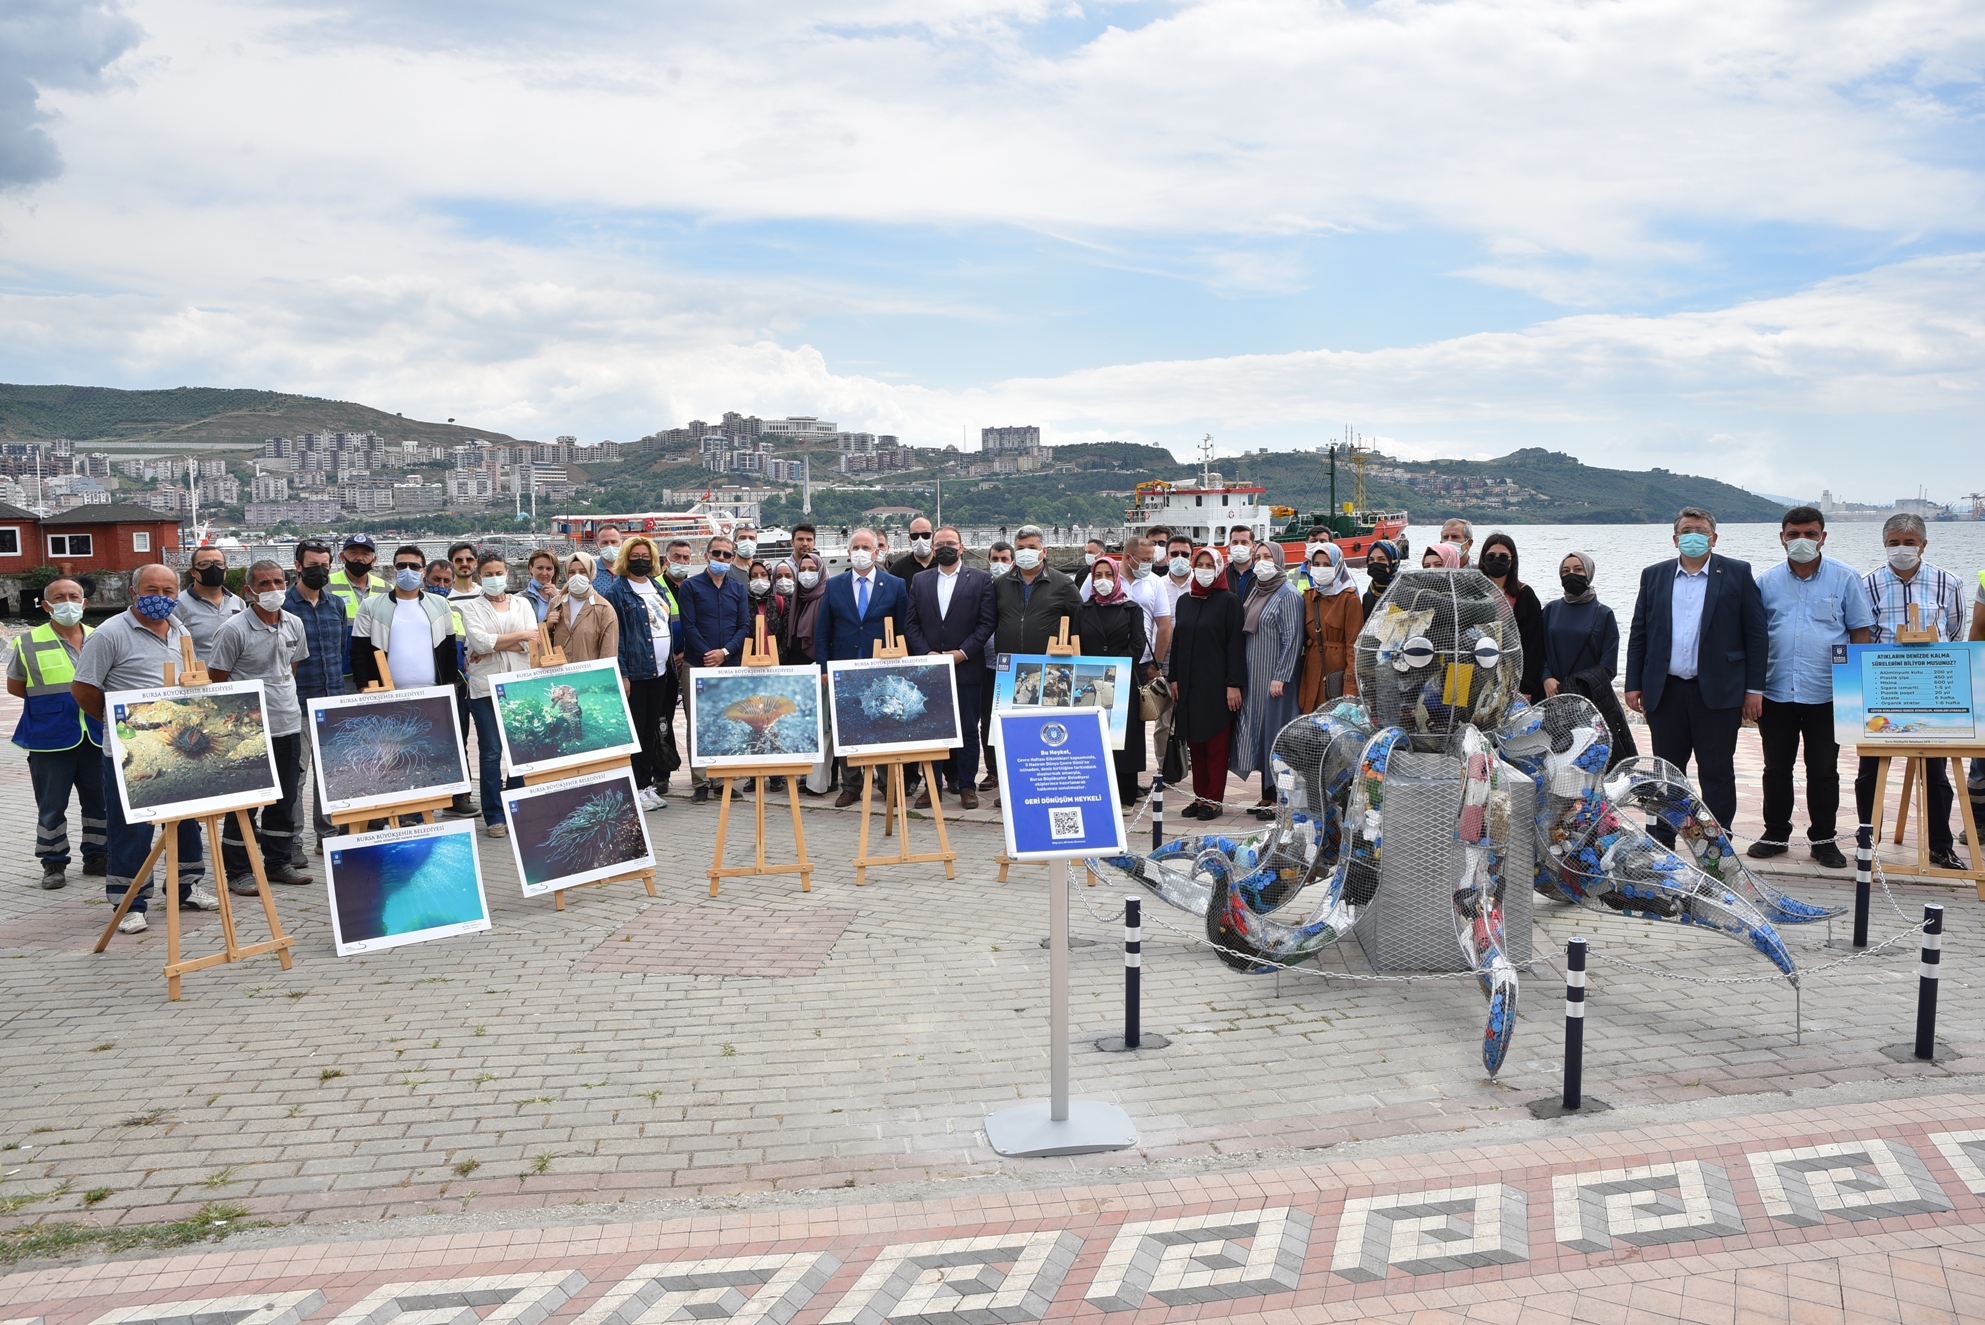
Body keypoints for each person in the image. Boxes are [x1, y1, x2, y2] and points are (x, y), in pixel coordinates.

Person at [71, 563, 218, 932]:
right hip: (129, 752)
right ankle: (130, 902)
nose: (161, 598)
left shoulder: (179, 629)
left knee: (185, 822)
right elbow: (84, 689)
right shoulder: (109, 634)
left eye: (169, 591)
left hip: (177, 748)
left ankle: (186, 887)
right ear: (134, 593)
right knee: (131, 827)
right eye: (152, 590)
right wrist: (117, 723)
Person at [1624, 506, 1766, 834]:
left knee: (1716, 773)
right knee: (1667, 773)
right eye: (1686, 531)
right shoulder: (1654, 575)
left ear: (1713, 538)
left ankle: (1718, 846)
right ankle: (1663, 845)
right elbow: (1640, 631)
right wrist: (1633, 683)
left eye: (1700, 531)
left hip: (1718, 692)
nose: (1693, 537)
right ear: (1675, 539)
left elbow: (1756, 636)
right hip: (1666, 691)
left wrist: (1754, 688)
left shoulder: (1737, 573)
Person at [1749, 507, 1872, 869]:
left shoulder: (1846, 578)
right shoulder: (1765, 581)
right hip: (1776, 691)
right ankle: (1775, 834)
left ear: (1823, 537)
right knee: (1775, 768)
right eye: (1794, 534)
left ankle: (1823, 840)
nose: (1802, 540)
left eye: (1810, 533)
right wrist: (1752, 689)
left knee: (1823, 770)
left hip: (1828, 693)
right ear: (1782, 537)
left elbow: (1860, 634)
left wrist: (1855, 692)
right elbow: (1754, 637)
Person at [1854, 514, 1969, 871]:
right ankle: (1866, 842)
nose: (1901, 549)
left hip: (1931, 693)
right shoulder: (1867, 583)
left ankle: (1940, 845)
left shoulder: (1948, 582)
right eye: (1893, 542)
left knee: (1935, 773)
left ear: (1923, 544)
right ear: (1884, 544)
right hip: (1883, 689)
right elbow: (1862, 634)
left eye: (1908, 542)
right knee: (1870, 771)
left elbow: (1955, 632)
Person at [207, 559, 312, 892]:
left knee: (284, 798)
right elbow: (217, 679)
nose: (273, 590)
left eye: (278, 582)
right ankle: (238, 871)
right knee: (246, 802)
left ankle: (278, 862)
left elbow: (291, 667)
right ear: (249, 590)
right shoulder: (234, 629)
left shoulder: (294, 623)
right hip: (246, 730)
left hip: (287, 723)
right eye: (264, 584)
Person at [9, 576, 106, 888]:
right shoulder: (27, 641)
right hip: (49, 737)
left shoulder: (100, 637)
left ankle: (98, 855)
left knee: (99, 802)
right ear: (46, 605)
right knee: (51, 806)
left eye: (74, 596)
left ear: (84, 602)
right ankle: (53, 863)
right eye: (60, 596)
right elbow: (16, 687)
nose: (68, 601)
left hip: (95, 732)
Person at [816, 528, 910, 806]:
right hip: (843, 667)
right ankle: (852, 785)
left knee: (883, 723)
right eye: (855, 547)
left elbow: (903, 629)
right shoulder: (834, 585)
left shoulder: (894, 585)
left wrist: (902, 667)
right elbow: (823, 631)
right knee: (848, 726)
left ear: (877, 551)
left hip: (881, 669)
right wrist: (824, 667)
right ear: (848, 552)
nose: (860, 552)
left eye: (866, 547)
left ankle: (886, 783)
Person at [906, 525, 997, 808]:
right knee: (932, 729)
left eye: (951, 542)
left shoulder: (981, 579)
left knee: (969, 730)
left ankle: (967, 786)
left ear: (961, 547)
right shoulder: (920, 580)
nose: (945, 546)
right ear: (933, 548)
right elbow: (910, 623)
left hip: (967, 667)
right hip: (930, 669)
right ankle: (932, 786)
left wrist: (963, 652)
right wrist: (926, 653)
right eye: (940, 543)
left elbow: (986, 623)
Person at [459, 552, 536, 836]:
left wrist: (492, 646)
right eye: (488, 574)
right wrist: (516, 639)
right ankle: (494, 815)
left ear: (507, 574)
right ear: (479, 578)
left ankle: (515, 802)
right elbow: (479, 641)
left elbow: (533, 643)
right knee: (491, 752)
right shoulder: (471, 608)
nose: (494, 578)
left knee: (520, 749)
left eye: (498, 572)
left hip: (518, 686)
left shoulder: (522, 603)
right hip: (484, 690)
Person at [1168, 549, 1246, 819]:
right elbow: (1177, 643)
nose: (1202, 569)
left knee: (1215, 745)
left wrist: (1234, 684)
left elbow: (1235, 645)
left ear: (1219, 568)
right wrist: (1174, 677)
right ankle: (1200, 797)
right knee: (1195, 744)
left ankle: (1214, 799)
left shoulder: (1230, 602)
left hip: (1217, 684)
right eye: (1198, 564)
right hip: (1189, 684)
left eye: (1208, 565)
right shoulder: (1185, 601)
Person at [600, 537, 677, 809]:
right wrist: (622, 673)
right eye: (635, 555)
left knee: (650, 731)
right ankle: (634, 788)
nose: (641, 560)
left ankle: (646, 785)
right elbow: (616, 638)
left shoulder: (657, 587)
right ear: (626, 558)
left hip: (660, 673)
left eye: (646, 555)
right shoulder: (617, 592)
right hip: (636, 674)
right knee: (634, 733)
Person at [1540, 552, 1635, 767]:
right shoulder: (1551, 610)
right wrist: (1546, 677)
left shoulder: (1603, 614)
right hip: (1552, 699)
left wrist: (1575, 687)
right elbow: (1540, 650)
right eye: (1566, 571)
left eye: (1578, 570)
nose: (1571, 575)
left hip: (1588, 703)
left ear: (1589, 573)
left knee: (1587, 764)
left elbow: (1609, 666)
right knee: (1553, 762)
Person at [285, 539, 349, 856]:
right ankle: (293, 840)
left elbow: (340, 651)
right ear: (297, 566)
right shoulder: (283, 607)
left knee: (331, 776)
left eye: (325, 565)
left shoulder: (336, 604)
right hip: (295, 705)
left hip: (331, 701)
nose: (320, 571)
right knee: (296, 776)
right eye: (313, 566)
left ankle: (328, 835)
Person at [1229, 544, 1303, 818]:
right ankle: (1266, 797)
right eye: (1257, 557)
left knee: (1276, 736)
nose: (1261, 562)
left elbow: (1292, 639)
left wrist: (1281, 676)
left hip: (1275, 681)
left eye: (1267, 557)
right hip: (1254, 678)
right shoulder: (1256, 592)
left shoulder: (1288, 595)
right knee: (1259, 734)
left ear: (1280, 560)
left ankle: (1279, 801)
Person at [679, 533, 751, 803]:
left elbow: (744, 626)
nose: (721, 558)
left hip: (728, 664)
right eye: (717, 553)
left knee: (726, 719)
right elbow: (689, 625)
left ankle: (722, 780)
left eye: (727, 555)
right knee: (697, 722)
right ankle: (700, 781)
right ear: (707, 555)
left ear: (732, 558)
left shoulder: (737, 589)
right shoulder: (690, 587)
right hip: (697, 663)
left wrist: (725, 652)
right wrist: (708, 654)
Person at [1075, 556, 1150, 808]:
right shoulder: (1082, 609)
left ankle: (1126, 795)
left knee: (1124, 739)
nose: (1103, 580)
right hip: (1090, 684)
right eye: (1098, 575)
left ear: (1116, 577)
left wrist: (1113, 669)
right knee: (1093, 738)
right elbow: (1077, 645)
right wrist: (1094, 671)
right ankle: (1097, 792)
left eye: (1108, 574)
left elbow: (1137, 643)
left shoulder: (1132, 609)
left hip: (1123, 682)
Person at [351, 550, 459, 693]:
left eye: (414, 566)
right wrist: (364, 688)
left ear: (423, 571)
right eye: (402, 566)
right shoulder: (370, 606)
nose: (407, 570)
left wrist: (450, 686)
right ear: (394, 570)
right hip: (385, 694)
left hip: (434, 693)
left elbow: (450, 650)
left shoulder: (440, 604)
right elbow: (359, 653)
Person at [991, 524, 1083, 659]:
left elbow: (1079, 621)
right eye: (1020, 548)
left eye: (1032, 548)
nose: (1025, 552)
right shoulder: (1000, 583)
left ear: (1044, 551)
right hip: (1009, 662)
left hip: (1048, 661)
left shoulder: (1063, 584)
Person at [1477, 533, 1546, 703]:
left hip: (1511, 673)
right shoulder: (1473, 592)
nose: (1497, 560)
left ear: (1512, 560)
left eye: (1503, 557)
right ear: (1483, 560)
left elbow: (1534, 644)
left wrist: (1527, 687)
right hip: (1474, 670)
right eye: (1491, 556)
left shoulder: (1525, 595)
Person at [1299, 543, 1363, 709]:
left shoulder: (1349, 599)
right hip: (1312, 670)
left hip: (1337, 671)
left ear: (1338, 566)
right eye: (1317, 564)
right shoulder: (1308, 596)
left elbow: (1353, 646)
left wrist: (1350, 687)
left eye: (1327, 565)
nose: (1321, 569)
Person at [978, 541, 1015, 791]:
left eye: (1004, 559)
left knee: (1011, 720)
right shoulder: (982, 586)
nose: (999, 563)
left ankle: (1012, 769)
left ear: (1012, 561)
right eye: (995, 558)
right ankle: (992, 771)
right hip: (984, 665)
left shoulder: (1014, 588)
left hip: (1012, 665)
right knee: (987, 720)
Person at [173, 545, 244, 664]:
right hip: (199, 678)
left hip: (235, 679)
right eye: (204, 564)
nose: (213, 568)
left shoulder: (238, 603)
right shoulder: (177, 605)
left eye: (218, 563)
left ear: (226, 568)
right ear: (193, 571)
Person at [547, 551, 618, 663]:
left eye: (582, 571)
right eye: (572, 572)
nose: (577, 576)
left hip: (589, 678)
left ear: (591, 573)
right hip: (559, 676)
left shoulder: (604, 609)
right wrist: (547, 626)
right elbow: (543, 643)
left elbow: (608, 654)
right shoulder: (556, 603)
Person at [744, 559, 786, 653]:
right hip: (749, 661)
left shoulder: (779, 601)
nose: (759, 578)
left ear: (769, 577)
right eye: (754, 575)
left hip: (775, 661)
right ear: (749, 578)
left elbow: (785, 634)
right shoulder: (743, 602)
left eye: (763, 574)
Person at [889, 516, 936, 587]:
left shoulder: (943, 565)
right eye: (915, 536)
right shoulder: (898, 569)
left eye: (925, 535)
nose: (920, 539)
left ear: (933, 537)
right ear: (909, 539)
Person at [1360, 539, 1398, 618]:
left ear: (1393, 562)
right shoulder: (1368, 595)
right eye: (1371, 560)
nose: (1375, 563)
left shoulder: (1404, 592)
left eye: (1381, 559)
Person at [522, 548, 558, 623]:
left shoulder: (563, 596)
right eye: (540, 568)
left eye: (549, 569)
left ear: (554, 571)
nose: (544, 573)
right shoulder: (520, 598)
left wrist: (558, 599)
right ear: (530, 568)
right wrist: (546, 626)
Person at [1161, 534, 1195, 611]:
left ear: (1192, 559)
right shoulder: (1158, 585)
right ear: (1167, 558)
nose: (1180, 557)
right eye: (1174, 554)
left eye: (1185, 554)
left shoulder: (1201, 585)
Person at [1225, 526, 1257, 601]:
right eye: (1235, 542)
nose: (1239, 546)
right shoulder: (1222, 574)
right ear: (1229, 546)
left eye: (1244, 542)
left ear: (1253, 546)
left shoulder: (1261, 573)